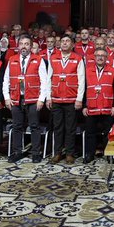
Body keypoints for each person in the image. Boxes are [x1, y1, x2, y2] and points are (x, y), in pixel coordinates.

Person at [3, 35, 48, 163]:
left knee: (34, 126)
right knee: (17, 126)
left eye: (27, 44)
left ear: (31, 46)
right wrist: (7, 97)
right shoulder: (12, 60)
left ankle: (35, 153)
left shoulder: (38, 59)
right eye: (21, 44)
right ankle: (17, 152)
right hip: (16, 98)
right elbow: (6, 80)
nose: (24, 46)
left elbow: (44, 81)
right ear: (18, 46)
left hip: (33, 98)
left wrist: (41, 99)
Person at [47, 35, 84, 163]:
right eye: (62, 41)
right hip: (56, 98)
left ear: (73, 45)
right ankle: (57, 153)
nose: (64, 43)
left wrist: (79, 99)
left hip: (71, 99)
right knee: (57, 128)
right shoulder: (53, 58)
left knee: (70, 128)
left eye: (67, 41)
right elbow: (48, 78)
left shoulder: (78, 58)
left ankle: (69, 153)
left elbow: (81, 80)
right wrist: (48, 97)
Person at [81, 47, 114, 163]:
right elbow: (82, 89)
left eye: (103, 55)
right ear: (94, 57)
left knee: (108, 132)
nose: (100, 57)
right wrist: (84, 106)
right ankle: (89, 154)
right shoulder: (87, 71)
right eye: (98, 55)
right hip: (92, 107)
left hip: (108, 107)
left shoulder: (112, 70)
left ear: (106, 58)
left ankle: (109, 154)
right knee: (90, 133)